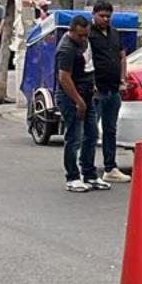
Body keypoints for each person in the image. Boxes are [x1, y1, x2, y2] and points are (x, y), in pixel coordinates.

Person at [55, 16, 109, 193]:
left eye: (86, 35)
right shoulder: (66, 49)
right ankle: (72, 177)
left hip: (86, 95)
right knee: (74, 137)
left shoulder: (83, 43)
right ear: (71, 31)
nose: (84, 39)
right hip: (71, 97)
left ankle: (90, 175)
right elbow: (64, 78)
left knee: (91, 135)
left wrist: (91, 87)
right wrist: (78, 101)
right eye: (80, 35)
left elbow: (88, 66)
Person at [89, 0, 131, 183]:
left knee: (110, 130)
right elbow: (84, 60)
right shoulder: (88, 34)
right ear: (94, 15)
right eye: (101, 16)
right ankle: (87, 168)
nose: (105, 19)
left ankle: (110, 167)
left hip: (113, 89)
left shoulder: (114, 33)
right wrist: (90, 84)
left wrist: (122, 79)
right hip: (96, 90)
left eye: (108, 16)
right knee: (90, 131)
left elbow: (122, 57)